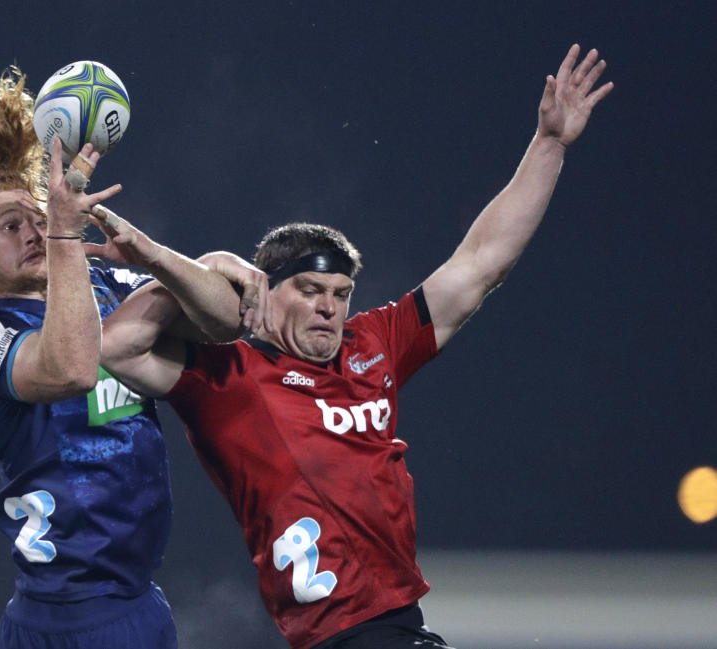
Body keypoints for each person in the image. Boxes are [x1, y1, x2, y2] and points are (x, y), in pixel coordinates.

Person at [99, 44, 613, 649]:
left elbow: (481, 264)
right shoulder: (229, 377)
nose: (329, 306)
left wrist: (548, 144)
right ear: (266, 291)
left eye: (341, 292)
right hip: (340, 634)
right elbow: (118, 348)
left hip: (399, 624)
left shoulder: (375, 342)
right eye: (310, 289)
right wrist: (187, 267)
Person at [0, 67, 267, 649]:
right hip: (49, 616)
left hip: (130, 607)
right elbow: (68, 368)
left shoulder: (111, 285)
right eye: (12, 226)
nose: (33, 234)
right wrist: (66, 237)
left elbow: (225, 322)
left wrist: (157, 256)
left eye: (39, 220)